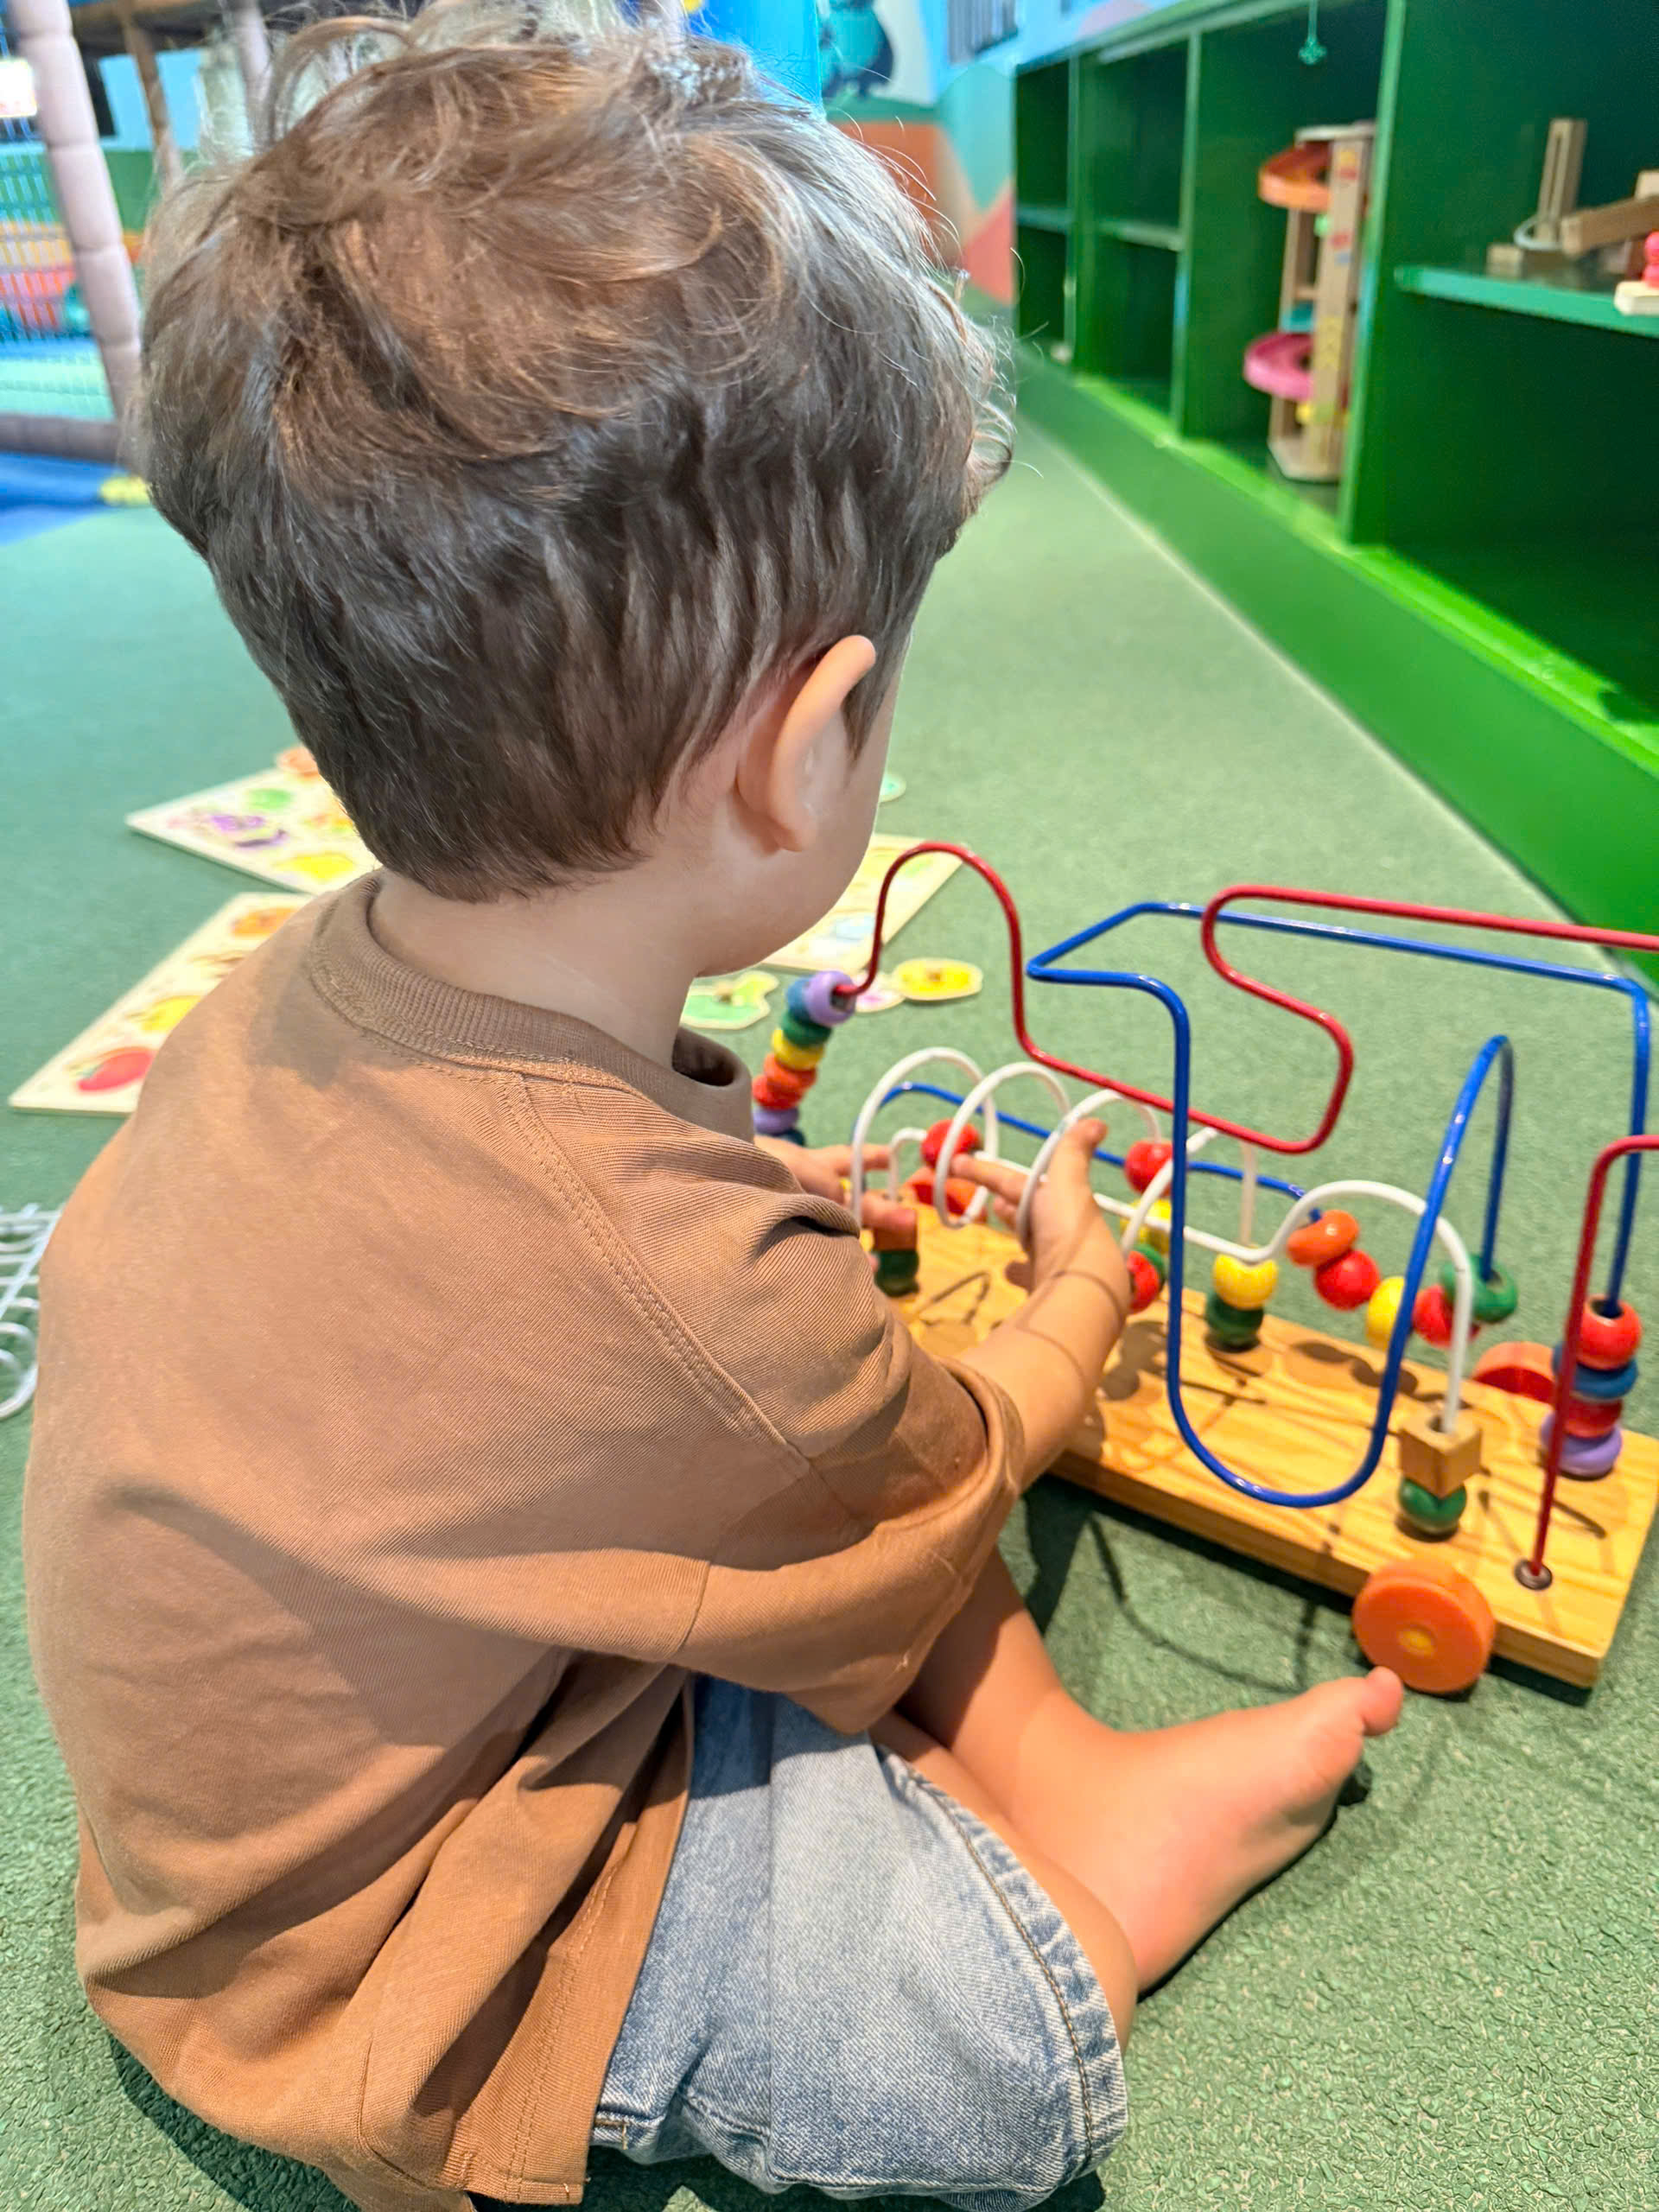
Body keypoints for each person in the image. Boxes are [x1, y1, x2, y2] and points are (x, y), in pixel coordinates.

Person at [22, 8, 1402, 2211]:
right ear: (805, 748)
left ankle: (1055, 1757)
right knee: (974, 2065)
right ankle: (1096, 1878)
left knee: (800, 1476)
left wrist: (742, 1222)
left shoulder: (308, 989)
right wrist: (1078, 1301)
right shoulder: (680, 1289)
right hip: (364, 1934)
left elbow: (522, 1294)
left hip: (317, 1729)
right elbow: (937, 1451)